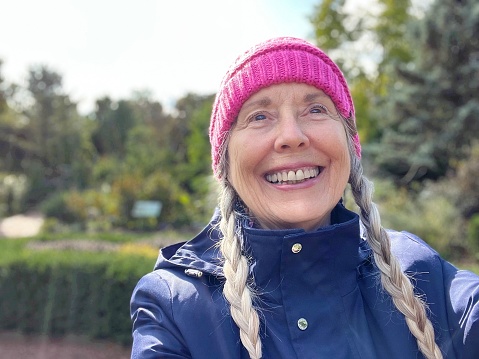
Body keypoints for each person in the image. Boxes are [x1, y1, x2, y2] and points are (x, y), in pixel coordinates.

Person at [130, 37, 479, 359]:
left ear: (349, 146)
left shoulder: (416, 269)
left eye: (315, 110)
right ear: (226, 162)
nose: (291, 136)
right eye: (259, 116)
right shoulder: (174, 304)